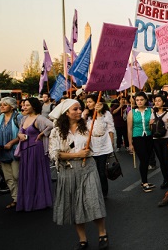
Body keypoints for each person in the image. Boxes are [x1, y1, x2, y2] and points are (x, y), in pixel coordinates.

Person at [47, 99, 108, 250]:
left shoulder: (87, 125)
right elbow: (54, 154)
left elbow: (100, 132)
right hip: (68, 171)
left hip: (88, 168)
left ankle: (102, 234)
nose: (80, 111)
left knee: (93, 201)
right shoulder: (56, 131)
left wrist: (98, 113)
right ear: (66, 112)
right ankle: (83, 240)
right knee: (74, 206)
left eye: (80, 108)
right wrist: (76, 155)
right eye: (75, 109)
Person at [15, 98, 54, 211]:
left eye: (27, 105)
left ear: (34, 106)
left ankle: (39, 201)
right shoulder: (24, 118)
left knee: (36, 174)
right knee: (26, 175)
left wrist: (42, 133)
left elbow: (52, 125)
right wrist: (19, 135)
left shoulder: (40, 118)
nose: (24, 107)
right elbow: (19, 131)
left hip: (36, 150)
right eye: (24, 105)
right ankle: (28, 201)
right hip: (25, 150)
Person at [0, 97, 23, 209]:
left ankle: (24, 198)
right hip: (1, 151)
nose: (1, 106)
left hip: (15, 151)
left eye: (5, 104)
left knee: (17, 175)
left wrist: (12, 142)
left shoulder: (18, 117)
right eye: (1, 104)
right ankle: (16, 199)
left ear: (12, 106)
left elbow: (23, 133)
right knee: (9, 178)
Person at [82, 95, 115, 199]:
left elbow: (110, 129)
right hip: (91, 145)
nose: (88, 104)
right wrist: (84, 116)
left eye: (90, 102)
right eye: (87, 102)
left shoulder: (106, 113)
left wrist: (111, 144)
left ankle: (103, 192)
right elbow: (81, 129)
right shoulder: (86, 114)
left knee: (101, 170)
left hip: (103, 144)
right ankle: (93, 190)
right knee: (92, 170)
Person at [127, 92, 155, 193]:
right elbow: (129, 129)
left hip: (149, 136)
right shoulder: (132, 112)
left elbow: (154, 124)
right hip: (137, 137)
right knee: (143, 160)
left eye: (141, 100)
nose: (139, 102)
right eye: (137, 100)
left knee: (147, 159)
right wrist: (130, 143)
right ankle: (144, 182)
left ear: (145, 100)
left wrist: (153, 123)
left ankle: (145, 181)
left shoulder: (150, 110)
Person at [149, 94, 168, 189]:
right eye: (155, 101)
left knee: (167, 160)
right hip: (156, 140)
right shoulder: (152, 113)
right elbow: (150, 128)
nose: (157, 102)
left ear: (163, 102)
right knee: (161, 161)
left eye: (159, 100)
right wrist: (150, 123)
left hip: (166, 139)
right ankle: (165, 180)